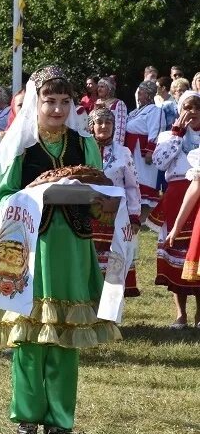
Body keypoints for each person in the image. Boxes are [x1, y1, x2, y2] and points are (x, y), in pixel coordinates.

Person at [0, 65, 119, 434]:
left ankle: (60, 418)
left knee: (66, 334)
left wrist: (103, 204)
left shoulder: (84, 143)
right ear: (36, 103)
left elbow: (97, 194)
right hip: (32, 246)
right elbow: (4, 195)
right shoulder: (22, 147)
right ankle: (27, 414)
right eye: (49, 101)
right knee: (28, 335)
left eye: (64, 101)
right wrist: (36, 195)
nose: (57, 109)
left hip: (72, 246)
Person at [150, 91, 200, 328]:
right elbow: (160, 162)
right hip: (176, 195)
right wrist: (177, 135)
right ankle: (181, 315)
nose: (192, 112)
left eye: (197, 107)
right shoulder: (167, 135)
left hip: (198, 195)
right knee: (176, 250)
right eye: (187, 107)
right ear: (180, 110)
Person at [88, 106, 141, 298]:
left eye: (108, 122)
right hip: (87, 215)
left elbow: (132, 186)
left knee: (112, 259)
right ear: (91, 126)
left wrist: (134, 216)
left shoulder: (123, 152)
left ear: (114, 126)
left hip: (115, 216)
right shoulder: (83, 149)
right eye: (99, 122)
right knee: (89, 258)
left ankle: (110, 309)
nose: (103, 126)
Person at [125, 80, 162, 208]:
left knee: (143, 178)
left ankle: (144, 210)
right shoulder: (136, 111)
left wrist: (151, 150)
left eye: (140, 93)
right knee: (132, 177)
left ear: (148, 94)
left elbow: (156, 129)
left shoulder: (155, 110)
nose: (138, 96)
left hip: (142, 150)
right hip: (131, 148)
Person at [95, 77, 127, 146]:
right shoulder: (97, 103)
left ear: (109, 89)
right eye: (98, 87)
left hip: (111, 144)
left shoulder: (118, 103)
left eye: (102, 87)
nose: (99, 89)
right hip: (96, 143)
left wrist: (117, 147)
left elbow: (120, 128)